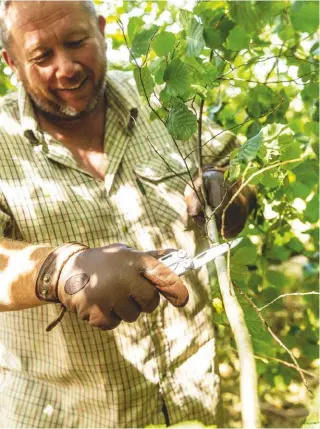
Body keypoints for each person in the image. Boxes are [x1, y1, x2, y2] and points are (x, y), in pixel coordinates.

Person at [0, 1, 256, 428]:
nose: (65, 68)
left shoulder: (160, 100)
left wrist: (231, 188)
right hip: (61, 416)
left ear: (101, 30)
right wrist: (60, 271)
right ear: (11, 62)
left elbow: (233, 165)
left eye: (77, 42)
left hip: (191, 402)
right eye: (41, 57)